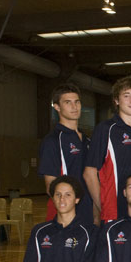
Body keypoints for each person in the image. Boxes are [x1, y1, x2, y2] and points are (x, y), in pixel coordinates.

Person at [84, 76, 131, 224]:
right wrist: (102, 206)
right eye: (126, 96)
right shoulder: (106, 129)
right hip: (114, 209)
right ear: (116, 100)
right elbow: (89, 173)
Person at [38, 84, 94, 225]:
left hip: (88, 211)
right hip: (66, 214)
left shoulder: (87, 139)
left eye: (77, 102)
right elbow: (50, 184)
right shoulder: (53, 140)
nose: (74, 107)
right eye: (67, 102)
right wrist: (67, 214)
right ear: (57, 107)